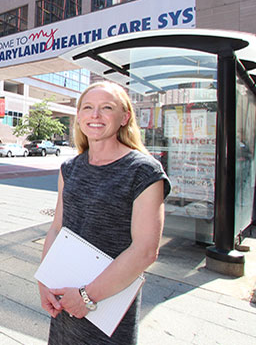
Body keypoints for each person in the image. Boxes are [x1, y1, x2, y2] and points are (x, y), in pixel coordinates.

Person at [37, 81, 170, 344]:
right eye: (87, 107)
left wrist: (87, 296)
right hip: (65, 298)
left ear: (125, 117)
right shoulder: (70, 168)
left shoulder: (144, 171)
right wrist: (44, 280)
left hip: (107, 304)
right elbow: (57, 228)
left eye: (106, 107)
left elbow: (145, 250)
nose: (95, 115)